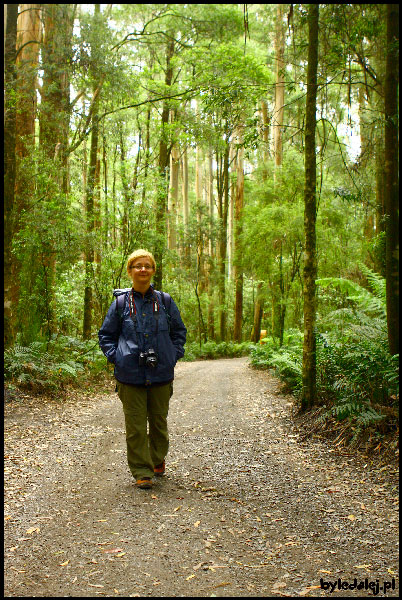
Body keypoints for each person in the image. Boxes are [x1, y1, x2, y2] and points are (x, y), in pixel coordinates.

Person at [98, 249, 187, 489]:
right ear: (130, 271)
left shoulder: (165, 301)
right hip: (130, 375)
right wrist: (117, 358)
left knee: (158, 422)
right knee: (136, 426)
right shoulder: (120, 304)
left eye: (147, 265)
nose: (143, 270)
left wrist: (173, 355)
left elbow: (179, 332)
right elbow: (106, 335)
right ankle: (141, 471)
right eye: (138, 266)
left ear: (153, 271)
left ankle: (157, 458)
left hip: (161, 373)